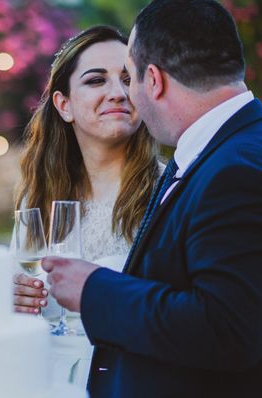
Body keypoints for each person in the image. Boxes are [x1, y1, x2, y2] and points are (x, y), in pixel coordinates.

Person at [45, 0, 262, 398]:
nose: (129, 97)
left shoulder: (240, 167)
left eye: (132, 80)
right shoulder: (238, 147)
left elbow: (226, 330)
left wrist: (95, 290)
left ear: (155, 81)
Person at [12, 25, 161, 316]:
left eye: (128, 79)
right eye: (96, 81)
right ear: (64, 105)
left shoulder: (167, 192)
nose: (118, 93)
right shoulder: (38, 194)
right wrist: (16, 295)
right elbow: (21, 281)